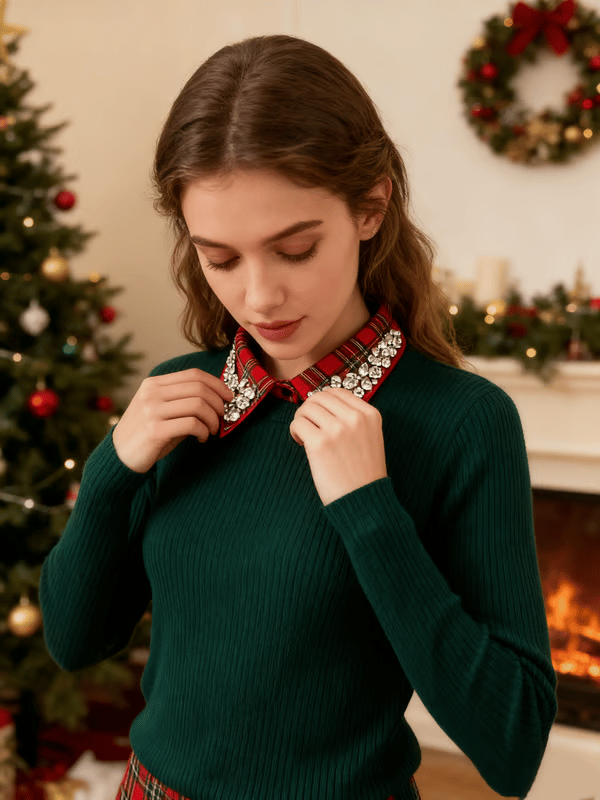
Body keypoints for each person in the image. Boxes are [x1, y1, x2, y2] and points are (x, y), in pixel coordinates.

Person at [40, 34, 557, 800]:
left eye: (295, 248)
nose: (259, 298)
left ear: (371, 206)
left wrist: (369, 512)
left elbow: (511, 746)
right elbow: (74, 642)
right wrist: (115, 468)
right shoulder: (180, 397)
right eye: (221, 259)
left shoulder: (462, 424)